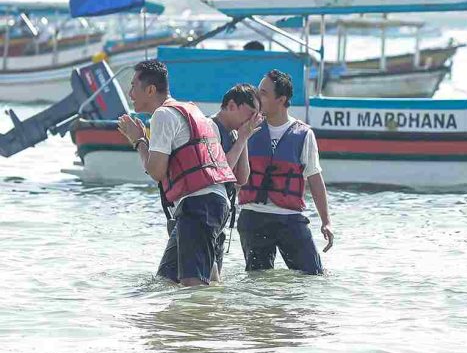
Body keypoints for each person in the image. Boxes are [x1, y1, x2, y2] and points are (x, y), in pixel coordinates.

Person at [115, 60, 236, 287]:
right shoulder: (193, 110)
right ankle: (205, 320)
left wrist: (139, 140)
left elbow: (157, 171)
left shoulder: (162, 115)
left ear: (150, 90)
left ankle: (204, 321)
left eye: (133, 86)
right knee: (167, 281)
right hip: (215, 203)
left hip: (199, 205)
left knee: (193, 285)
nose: (130, 93)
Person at [237, 69, 335, 275]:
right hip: (253, 218)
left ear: (281, 99)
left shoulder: (303, 134)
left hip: (290, 219)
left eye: (263, 93)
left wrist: (326, 221)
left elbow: (315, 179)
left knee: (313, 276)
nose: (257, 97)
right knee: (257, 283)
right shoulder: (246, 129)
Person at [208, 84, 263, 275]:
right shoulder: (210, 128)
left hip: (220, 220)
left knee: (213, 285)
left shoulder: (235, 134)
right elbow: (220, 171)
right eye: (251, 113)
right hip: (204, 216)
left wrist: (244, 138)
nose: (252, 120)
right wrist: (241, 139)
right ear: (232, 105)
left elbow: (242, 178)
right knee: (208, 279)